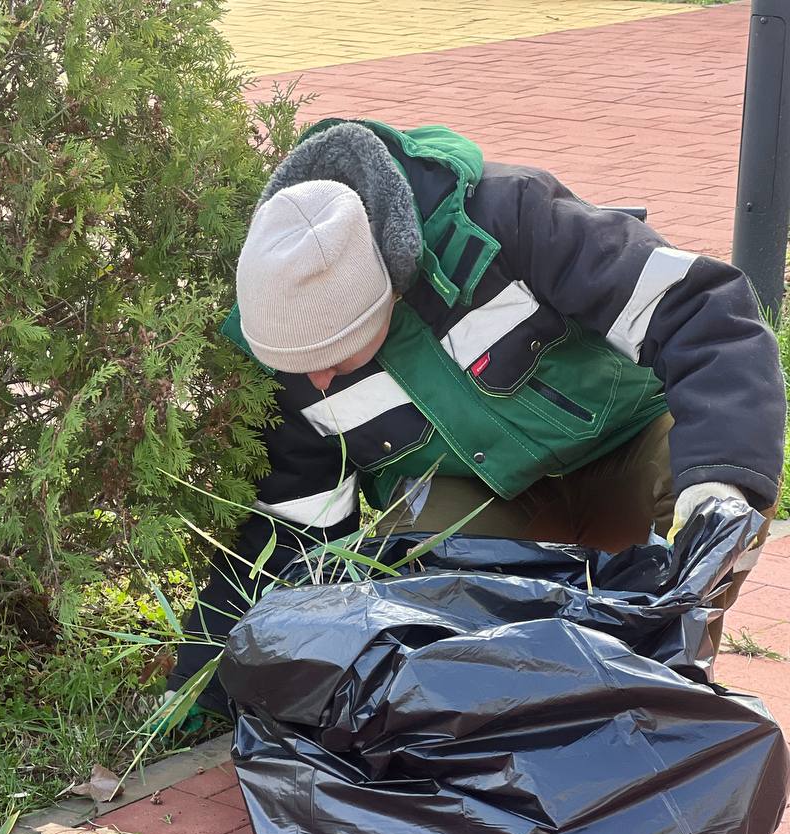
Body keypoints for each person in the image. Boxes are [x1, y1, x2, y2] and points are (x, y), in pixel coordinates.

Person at [167, 118, 787, 714]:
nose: (316, 380)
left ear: (389, 290)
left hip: (624, 448)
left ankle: (664, 685)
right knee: (412, 571)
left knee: (713, 494)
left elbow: (704, 311)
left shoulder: (511, 216)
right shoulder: (288, 354)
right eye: (296, 366)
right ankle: (523, 709)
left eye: (331, 358)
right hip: (487, 498)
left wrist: (720, 485)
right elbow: (291, 535)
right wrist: (204, 679)